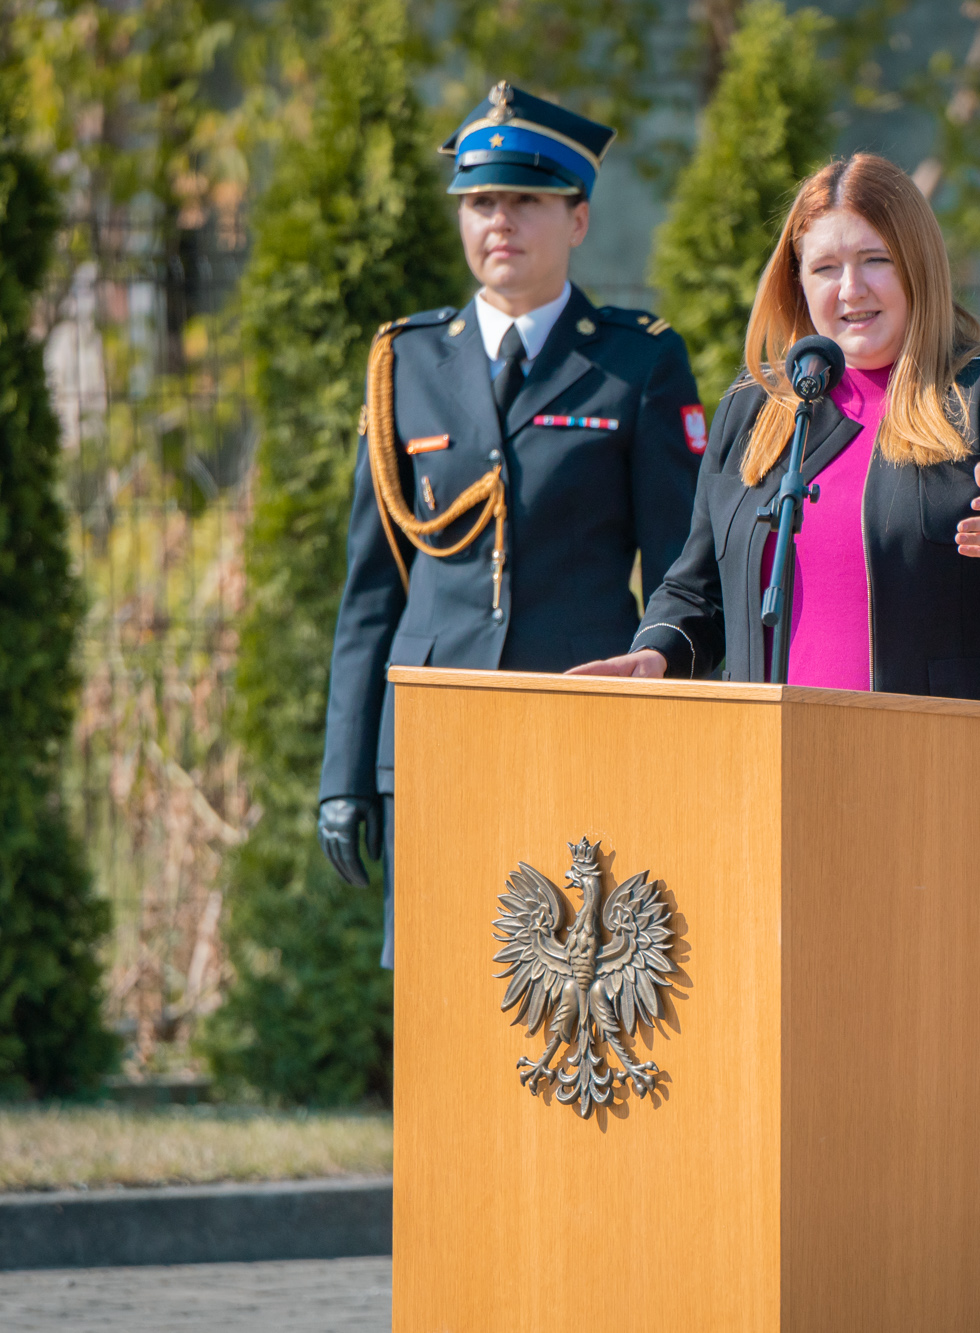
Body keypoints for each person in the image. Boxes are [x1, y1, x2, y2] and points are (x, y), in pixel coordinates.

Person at [571, 152, 980, 838]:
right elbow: (697, 591)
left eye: (876, 260)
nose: (851, 289)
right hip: (777, 788)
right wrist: (655, 653)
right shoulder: (756, 411)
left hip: (960, 794)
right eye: (825, 268)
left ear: (917, 265)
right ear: (796, 284)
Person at [318, 82, 705, 966]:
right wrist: (344, 772)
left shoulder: (637, 361)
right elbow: (371, 592)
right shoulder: (406, 361)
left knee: (577, 982)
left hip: (579, 720)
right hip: (433, 733)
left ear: (578, 218)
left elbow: (678, 575)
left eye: (527, 200)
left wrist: (679, 735)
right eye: (480, 201)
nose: (500, 221)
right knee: (441, 984)